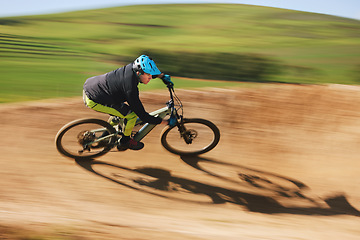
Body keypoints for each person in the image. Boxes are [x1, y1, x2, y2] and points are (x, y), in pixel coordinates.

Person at [83, 55, 172, 151]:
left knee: (121, 111)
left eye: (151, 75)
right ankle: (125, 141)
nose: (150, 78)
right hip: (94, 99)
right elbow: (143, 116)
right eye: (148, 75)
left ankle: (111, 127)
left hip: (93, 86)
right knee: (132, 115)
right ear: (138, 73)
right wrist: (165, 122)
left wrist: (161, 76)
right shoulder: (130, 89)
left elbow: (147, 72)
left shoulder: (132, 68)